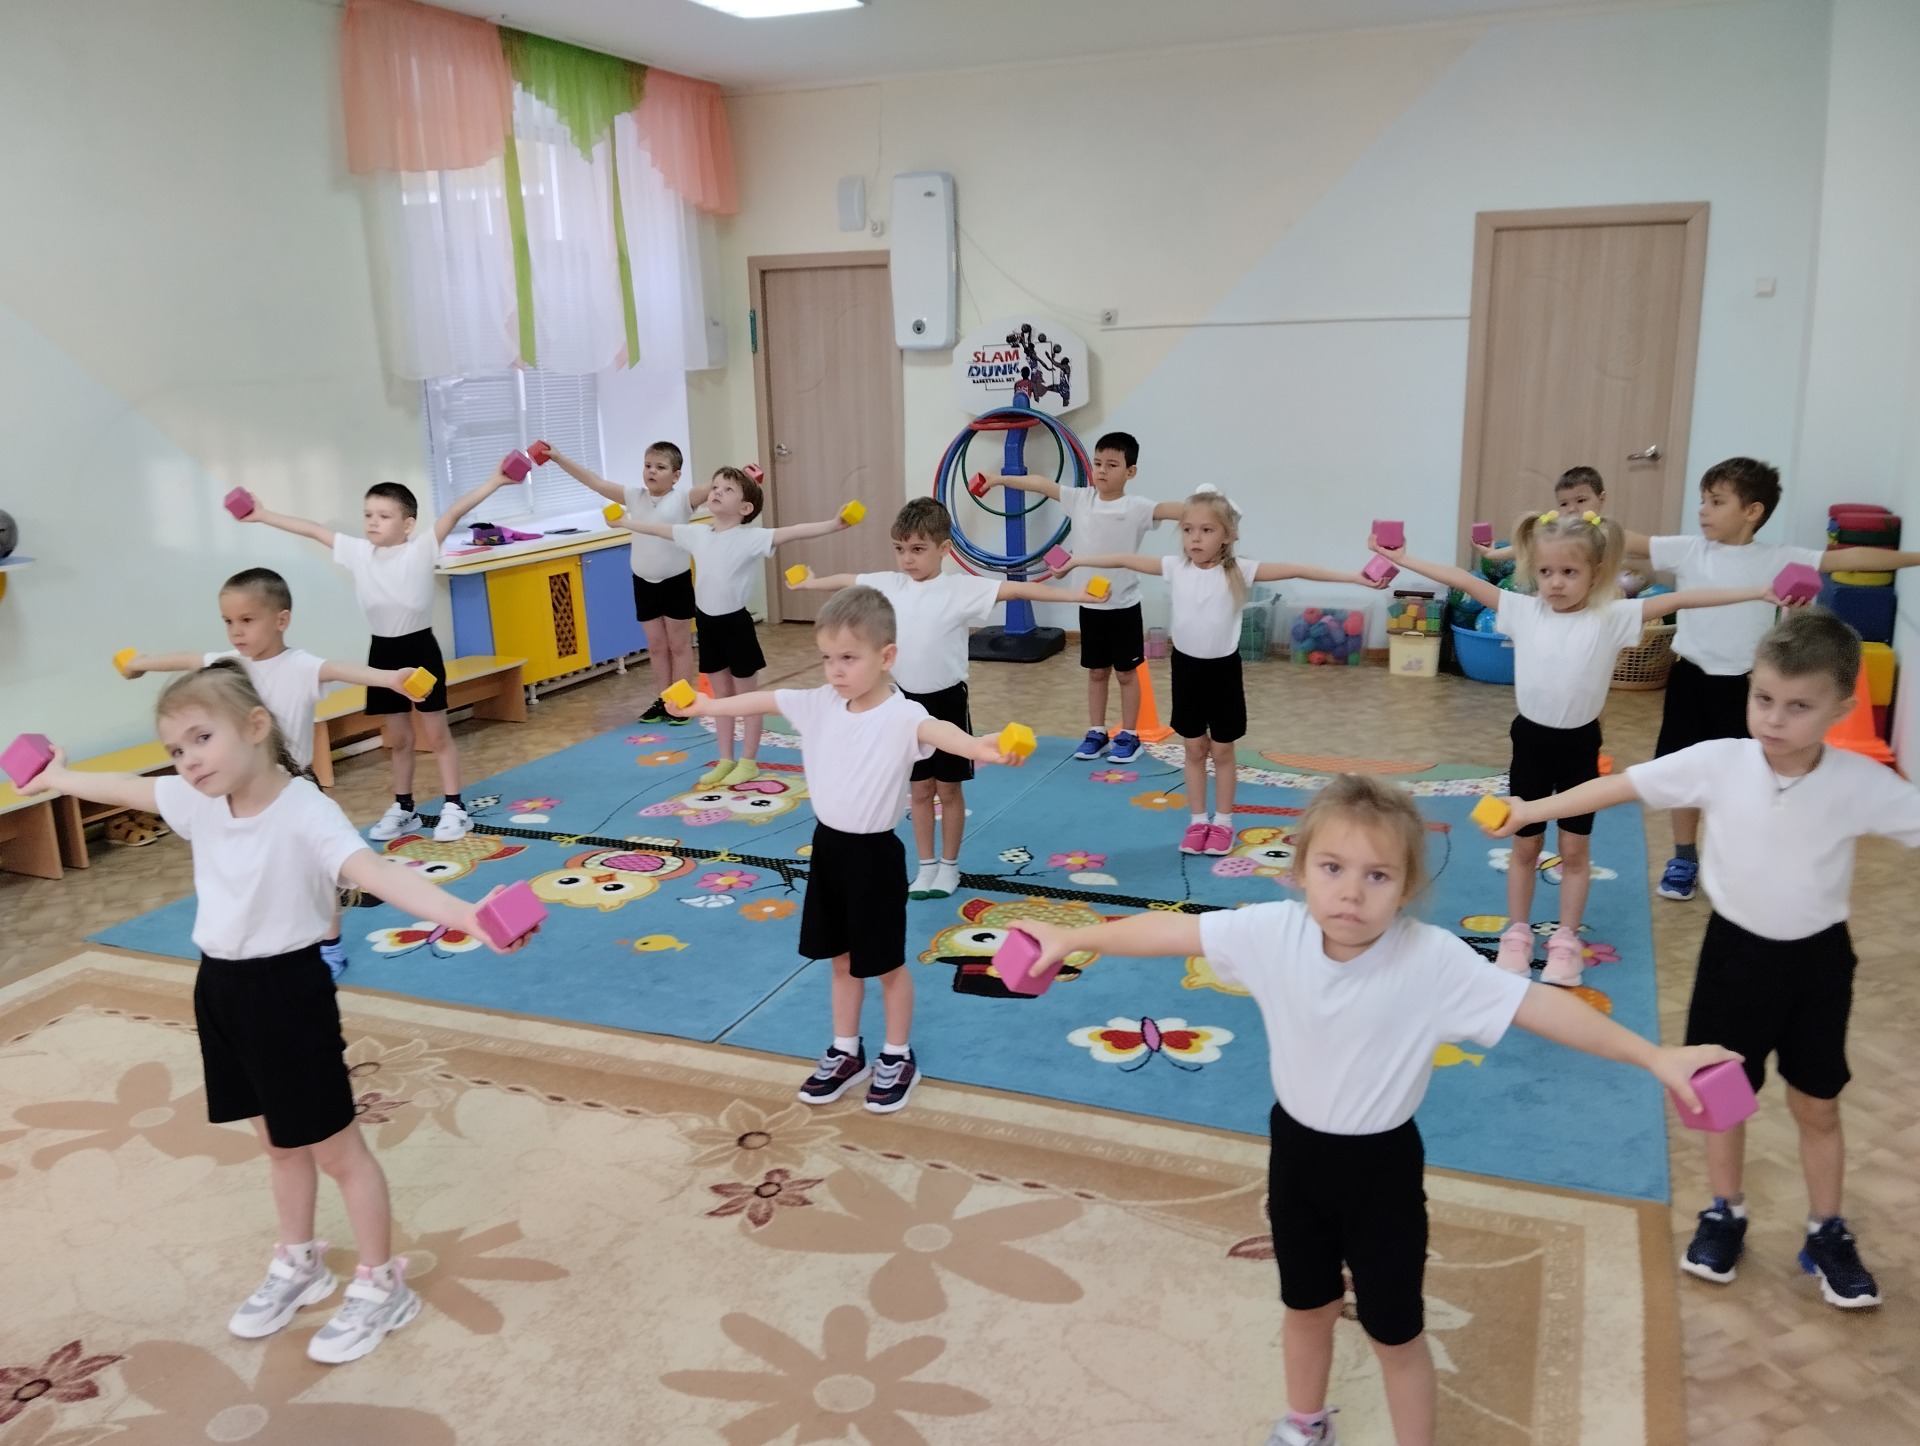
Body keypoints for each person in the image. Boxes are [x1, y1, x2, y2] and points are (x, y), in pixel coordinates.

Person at [1011, 774, 1734, 1446]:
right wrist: (1074, 937)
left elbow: (1538, 1006)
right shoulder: (1270, 933)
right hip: (1297, 1157)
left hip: (1382, 1171)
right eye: (1333, 868)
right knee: (1305, 1304)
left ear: (1407, 887)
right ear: (1298, 870)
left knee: (1396, 1331)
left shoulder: (1433, 959)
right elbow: (1171, 933)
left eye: (1377, 875)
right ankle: (1304, 1421)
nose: (1351, 893)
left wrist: (1653, 1057)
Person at [23, 661, 535, 1362]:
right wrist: (56, 776)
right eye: (176, 749)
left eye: (202, 738)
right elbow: (126, 789)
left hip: (288, 994)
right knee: (279, 1145)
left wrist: (468, 916)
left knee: (339, 1152)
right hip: (220, 991)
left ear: (256, 726)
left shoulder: (304, 810)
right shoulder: (198, 801)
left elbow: (378, 874)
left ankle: (382, 1283)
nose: (187, 760)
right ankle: (300, 1261)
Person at [1488, 610, 1918, 1309]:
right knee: (1721, 1093)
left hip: (1817, 965)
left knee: (1817, 1104)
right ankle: (1725, 1213)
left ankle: (1826, 1231)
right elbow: (1624, 785)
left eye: (1799, 706)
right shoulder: (1720, 761)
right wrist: (1533, 809)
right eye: (1764, 698)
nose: (1774, 719)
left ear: (1841, 708)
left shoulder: (1858, 782)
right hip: (1734, 956)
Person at [1375, 511, 1784, 985]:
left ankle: (1566, 939)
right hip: (1531, 742)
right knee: (1524, 845)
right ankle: (1517, 933)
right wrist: (1402, 559)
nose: (1556, 582)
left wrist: (1760, 592)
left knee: (1574, 850)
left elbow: (1684, 598)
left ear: (1596, 573)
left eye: (1569, 571)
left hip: (1579, 746)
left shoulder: (1612, 618)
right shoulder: (1522, 611)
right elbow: (1461, 578)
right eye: (1546, 571)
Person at [667, 586, 1026, 1113]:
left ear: (887, 657)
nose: (835, 671)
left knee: (886, 964)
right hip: (828, 850)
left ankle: (898, 1055)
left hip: (875, 857)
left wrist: (977, 746)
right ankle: (845, 1050)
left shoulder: (902, 715)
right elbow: (766, 699)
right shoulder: (819, 703)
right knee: (839, 958)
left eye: (849, 658)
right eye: (827, 658)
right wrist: (705, 704)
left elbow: (939, 730)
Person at [1608, 457, 1920, 902]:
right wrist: (1588, 519)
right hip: (1690, 680)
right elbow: (1629, 541)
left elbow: (1849, 557)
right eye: (1703, 501)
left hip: (1748, 689)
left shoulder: (1778, 557)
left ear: (1752, 511)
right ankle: (1683, 857)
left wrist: (1915, 558)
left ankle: (1736, 855)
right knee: (1684, 769)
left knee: (1747, 775)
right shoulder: (1690, 550)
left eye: (1716, 502)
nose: (1703, 511)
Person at [119, 567, 422, 978]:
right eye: (228, 621)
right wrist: (139, 664)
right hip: (247, 792)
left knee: (322, 875)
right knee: (266, 874)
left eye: (247, 620)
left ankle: (330, 947)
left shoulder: (299, 666)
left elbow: (340, 670)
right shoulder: (228, 665)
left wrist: (391, 678)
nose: (236, 631)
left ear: (281, 620)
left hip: (294, 788)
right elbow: (189, 659)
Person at [790, 496, 1096, 899]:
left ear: (943, 548)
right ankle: (926, 865)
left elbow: (1015, 589)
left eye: (918, 549)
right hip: (905, 707)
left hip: (948, 702)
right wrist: (811, 582)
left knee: (948, 790)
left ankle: (949, 865)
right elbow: (851, 579)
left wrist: (1076, 596)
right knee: (919, 791)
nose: (907, 559)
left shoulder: (959, 590)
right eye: (900, 549)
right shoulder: (891, 585)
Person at [1075, 489, 1386, 857]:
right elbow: (1123, 558)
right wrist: (1077, 561)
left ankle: (1222, 821)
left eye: (1206, 530)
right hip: (1186, 670)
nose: (1195, 538)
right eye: (1188, 529)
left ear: (1227, 535)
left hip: (1222, 672)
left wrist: (1355, 578)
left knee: (1222, 750)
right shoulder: (1176, 567)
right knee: (1193, 748)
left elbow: (1299, 569)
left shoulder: (1239, 570)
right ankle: (1197, 821)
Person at [240, 464, 517, 843]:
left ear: (407, 524)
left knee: (436, 735)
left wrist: (497, 480)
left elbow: (455, 511)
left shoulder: (421, 548)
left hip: (419, 649)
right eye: (368, 514)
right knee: (399, 739)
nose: (373, 522)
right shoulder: (358, 552)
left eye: (384, 516)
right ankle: (404, 808)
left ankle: (455, 807)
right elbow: (313, 529)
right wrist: (262, 514)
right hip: (383, 653)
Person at [621, 466, 854, 787]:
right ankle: (726, 759)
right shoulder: (698, 534)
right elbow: (658, 529)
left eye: (727, 489)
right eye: (715, 486)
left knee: (747, 697)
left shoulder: (751, 538)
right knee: (720, 699)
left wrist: (834, 524)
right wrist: (624, 522)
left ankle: (748, 761)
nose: (717, 491)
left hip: (736, 626)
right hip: (707, 626)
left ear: (745, 508)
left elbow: (794, 531)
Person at [981, 432, 1183, 762]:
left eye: (1112, 465)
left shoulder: (1137, 507)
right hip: (1089, 606)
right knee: (1096, 672)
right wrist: (998, 479)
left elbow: (1170, 510)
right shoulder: (1080, 499)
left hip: (1124, 607)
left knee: (1126, 674)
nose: (1102, 470)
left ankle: (1130, 735)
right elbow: (1040, 484)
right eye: (1098, 463)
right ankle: (1096, 731)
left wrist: (1210, 510)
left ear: (1130, 472)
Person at [531, 440, 710, 723]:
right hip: (644, 583)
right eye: (648, 465)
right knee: (656, 646)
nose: (652, 471)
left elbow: (715, 486)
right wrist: (558, 458)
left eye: (660, 467)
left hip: (675, 582)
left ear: (675, 475)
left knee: (678, 646)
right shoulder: (635, 496)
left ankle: (683, 700)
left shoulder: (683, 499)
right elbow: (595, 482)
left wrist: (744, 477)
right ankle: (665, 701)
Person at [1471, 466, 1606, 565]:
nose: (1572, 509)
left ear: (1601, 499)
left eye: (1581, 501)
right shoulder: (1560, 533)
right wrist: (1491, 554)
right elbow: (1526, 547)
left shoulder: (1607, 532)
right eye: (1564, 504)